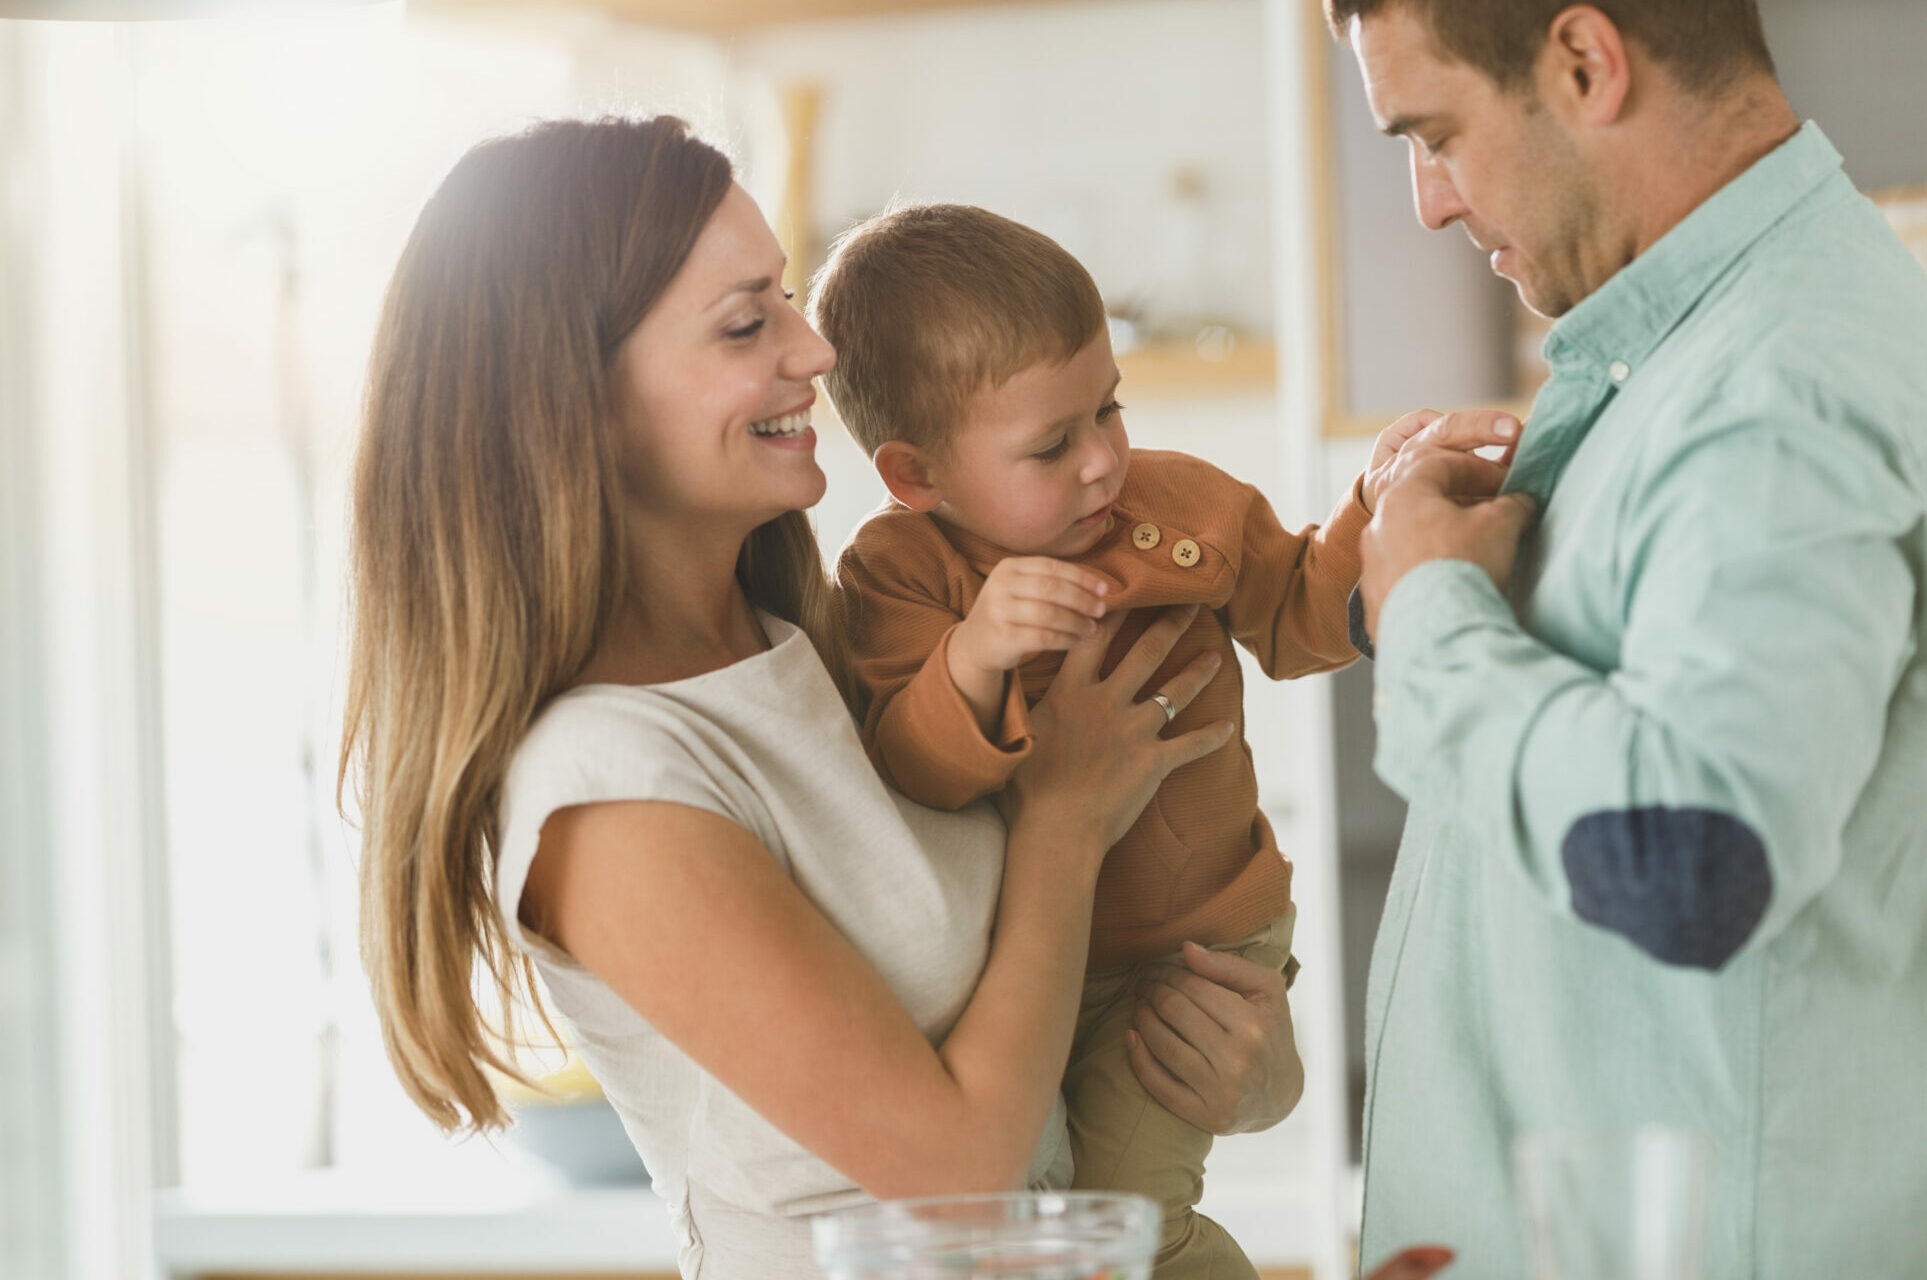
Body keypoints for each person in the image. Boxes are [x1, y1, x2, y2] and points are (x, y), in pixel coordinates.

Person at [340, 116, 1307, 1280]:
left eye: (788, 300)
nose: (814, 351)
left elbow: (1037, 1027)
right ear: (577, 400)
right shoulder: (605, 786)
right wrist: (1064, 818)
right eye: (749, 322)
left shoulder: (833, 653)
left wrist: (1252, 1073)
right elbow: (959, 1185)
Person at [1333, 1, 1927, 1277]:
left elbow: (1690, 853)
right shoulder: (1688, 358)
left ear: (1583, 62)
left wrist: (1431, 612)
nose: (1430, 204)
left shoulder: (1775, 390)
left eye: (1435, 133)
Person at [808, 203, 1425, 1280]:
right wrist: (975, 655)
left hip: (1192, 951)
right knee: (1061, 1225)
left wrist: (1372, 516)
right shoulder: (897, 577)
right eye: (1052, 444)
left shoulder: (1178, 502)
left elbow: (1302, 617)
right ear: (916, 476)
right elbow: (909, 763)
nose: (1103, 461)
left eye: (1110, 408)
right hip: (1030, 973)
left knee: (1124, 1227)